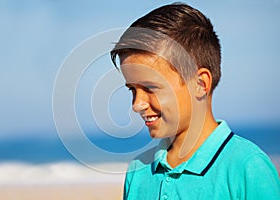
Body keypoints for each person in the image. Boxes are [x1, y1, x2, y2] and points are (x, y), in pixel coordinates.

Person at [110, 2, 280, 200]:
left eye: (150, 88)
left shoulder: (247, 167)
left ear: (200, 84)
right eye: (132, 89)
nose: (137, 104)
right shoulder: (138, 171)